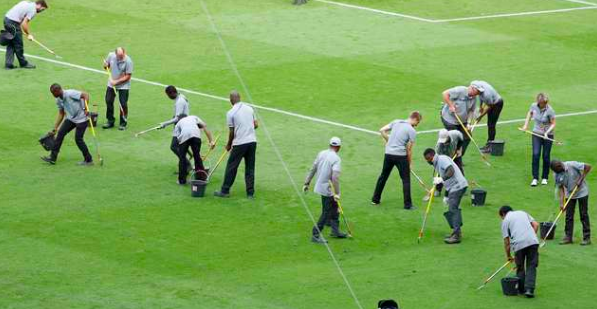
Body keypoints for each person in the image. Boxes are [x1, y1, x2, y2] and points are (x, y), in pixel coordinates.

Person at [371, 111, 422, 210]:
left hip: (388, 154)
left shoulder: (396, 122)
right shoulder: (411, 130)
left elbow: (382, 130)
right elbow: (409, 150)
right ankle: (408, 205)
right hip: (400, 156)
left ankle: (375, 199)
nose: (417, 125)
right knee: (406, 180)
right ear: (415, 119)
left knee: (383, 176)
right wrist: (410, 163)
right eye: (417, 123)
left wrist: (388, 141)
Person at [303, 137, 347, 244]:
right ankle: (316, 234)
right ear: (339, 147)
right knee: (326, 212)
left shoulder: (321, 153)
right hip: (328, 188)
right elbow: (335, 178)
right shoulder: (336, 159)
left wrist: (307, 182)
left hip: (321, 186)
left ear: (330, 145)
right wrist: (337, 193)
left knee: (335, 206)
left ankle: (335, 230)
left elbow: (313, 168)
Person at [214, 91, 258, 198]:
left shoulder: (230, 113)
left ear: (231, 100)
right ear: (240, 97)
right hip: (252, 142)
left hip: (239, 143)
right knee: (250, 168)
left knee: (232, 167)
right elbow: (256, 125)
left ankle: (225, 191)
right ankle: (250, 193)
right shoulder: (250, 108)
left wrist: (229, 145)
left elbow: (231, 132)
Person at [41, 83, 93, 165]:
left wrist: (86, 108)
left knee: (78, 139)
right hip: (71, 119)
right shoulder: (58, 100)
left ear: (58, 90)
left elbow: (85, 95)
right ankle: (52, 158)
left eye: (53, 93)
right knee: (60, 134)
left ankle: (89, 160)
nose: (53, 94)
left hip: (82, 118)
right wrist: (55, 128)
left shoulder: (70, 93)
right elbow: (61, 114)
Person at [424, 148, 468, 244]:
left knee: (453, 209)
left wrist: (441, 179)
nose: (428, 161)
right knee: (453, 209)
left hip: (458, 186)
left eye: (428, 158)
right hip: (454, 187)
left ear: (432, 155)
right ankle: (456, 232)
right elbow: (447, 180)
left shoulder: (441, 159)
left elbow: (451, 171)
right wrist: (446, 195)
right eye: (426, 159)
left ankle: (456, 235)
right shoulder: (437, 163)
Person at [499, 205, 540, 298]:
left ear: (503, 214)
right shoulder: (522, 212)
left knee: (520, 267)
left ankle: (521, 289)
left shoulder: (505, 221)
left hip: (518, 244)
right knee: (531, 265)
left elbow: (507, 242)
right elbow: (536, 225)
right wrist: (531, 237)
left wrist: (508, 256)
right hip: (533, 242)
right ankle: (529, 289)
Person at [550, 160, 592, 245]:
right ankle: (568, 237)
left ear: (560, 165)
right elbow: (561, 188)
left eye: (558, 170)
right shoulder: (556, 174)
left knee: (583, 214)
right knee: (569, 216)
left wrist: (581, 179)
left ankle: (587, 238)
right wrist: (562, 203)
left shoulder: (571, 164)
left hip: (582, 192)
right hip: (569, 194)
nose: (557, 173)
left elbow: (588, 166)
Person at [521, 93, 556, 187]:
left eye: (544, 103)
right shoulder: (533, 106)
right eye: (541, 103)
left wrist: (546, 133)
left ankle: (545, 177)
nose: (543, 104)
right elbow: (530, 113)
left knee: (545, 156)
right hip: (536, 133)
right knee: (536, 154)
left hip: (548, 135)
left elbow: (553, 123)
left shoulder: (550, 110)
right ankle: (535, 178)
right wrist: (525, 125)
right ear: (538, 102)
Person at [3, 0, 48, 69]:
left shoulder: (26, 2)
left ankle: (8, 65)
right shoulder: (33, 10)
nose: (41, 11)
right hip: (13, 23)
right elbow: (24, 23)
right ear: (39, 5)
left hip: (6, 20)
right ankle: (23, 64)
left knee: (11, 43)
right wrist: (29, 34)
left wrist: (19, 29)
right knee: (19, 45)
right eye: (42, 9)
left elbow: (20, 17)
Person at [173, 115, 215, 185]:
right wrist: (211, 141)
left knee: (182, 158)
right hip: (196, 134)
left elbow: (179, 140)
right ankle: (201, 179)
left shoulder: (178, 124)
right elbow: (204, 126)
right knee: (197, 156)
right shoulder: (194, 117)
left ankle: (182, 181)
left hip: (184, 135)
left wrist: (184, 153)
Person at [426, 129, 464, 202]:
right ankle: (438, 189)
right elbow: (437, 159)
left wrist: (458, 149)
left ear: (448, 137)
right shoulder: (439, 146)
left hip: (455, 154)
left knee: (459, 170)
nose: (443, 142)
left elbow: (461, 139)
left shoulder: (455, 134)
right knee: (441, 173)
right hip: (445, 157)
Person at [159, 86, 190, 169]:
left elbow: (177, 118)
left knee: (174, 146)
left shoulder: (180, 102)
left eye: (168, 95)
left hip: (181, 127)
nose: (169, 97)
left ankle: (186, 164)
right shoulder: (181, 96)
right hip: (182, 125)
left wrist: (164, 124)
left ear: (172, 93)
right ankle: (184, 164)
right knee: (181, 147)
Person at [102, 47, 133, 130]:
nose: (120, 57)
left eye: (122, 55)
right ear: (115, 54)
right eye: (119, 56)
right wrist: (105, 66)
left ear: (124, 52)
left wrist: (116, 82)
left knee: (123, 104)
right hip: (111, 83)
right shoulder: (111, 56)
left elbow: (128, 76)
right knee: (108, 101)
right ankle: (110, 120)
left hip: (124, 85)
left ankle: (123, 123)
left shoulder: (128, 61)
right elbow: (106, 66)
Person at [468, 81, 503, 152]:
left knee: (491, 125)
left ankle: (490, 146)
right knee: (490, 124)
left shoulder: (486, 95)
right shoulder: (476, 85)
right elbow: (480, 97)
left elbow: (490, 105)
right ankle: (489, 145)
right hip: (491, 102)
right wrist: (481, 107)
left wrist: (481, 116)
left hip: (497, 104)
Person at [441, 85, 476, 155]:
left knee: (467, 137)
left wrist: (469, 123)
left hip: (462, 121)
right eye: (476, 91)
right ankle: (450, 157)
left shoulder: (474, 98)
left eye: (478, 93)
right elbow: (445, 94)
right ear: (471, 88)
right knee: (455, 138)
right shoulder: (460, 90)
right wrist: (451, 106)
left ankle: (458, 156)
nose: (477, 94)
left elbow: (471, 111)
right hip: (449, 119)